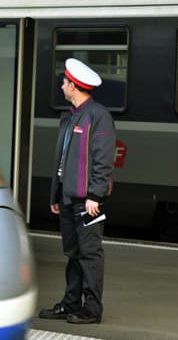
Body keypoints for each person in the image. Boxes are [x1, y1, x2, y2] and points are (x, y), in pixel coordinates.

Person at [38, 58, 115, 324]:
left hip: (87, 201)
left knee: (90, 254)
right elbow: (62, 160)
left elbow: (103, 159)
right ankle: (71, 303)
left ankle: (92, 309)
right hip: (68, 199)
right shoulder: (71, 118)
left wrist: (96, 195)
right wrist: (55, 196)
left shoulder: (98, 116)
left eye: (64, 82)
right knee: (73, 253)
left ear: (74, 86)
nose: (61, 86)